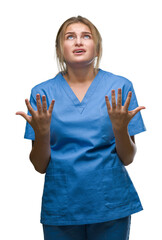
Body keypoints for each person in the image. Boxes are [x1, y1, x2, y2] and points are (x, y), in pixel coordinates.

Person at [16, 16, 146, 240]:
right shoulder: (42, 93)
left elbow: (128, 158)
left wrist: (120, 129)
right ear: (59, 49)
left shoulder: (120, 87)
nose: (78, 42)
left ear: (97, 48)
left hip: (110, 205)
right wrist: (43, 133)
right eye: (70, 37)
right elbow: (39, 165)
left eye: (86, 36)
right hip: (61, 207)